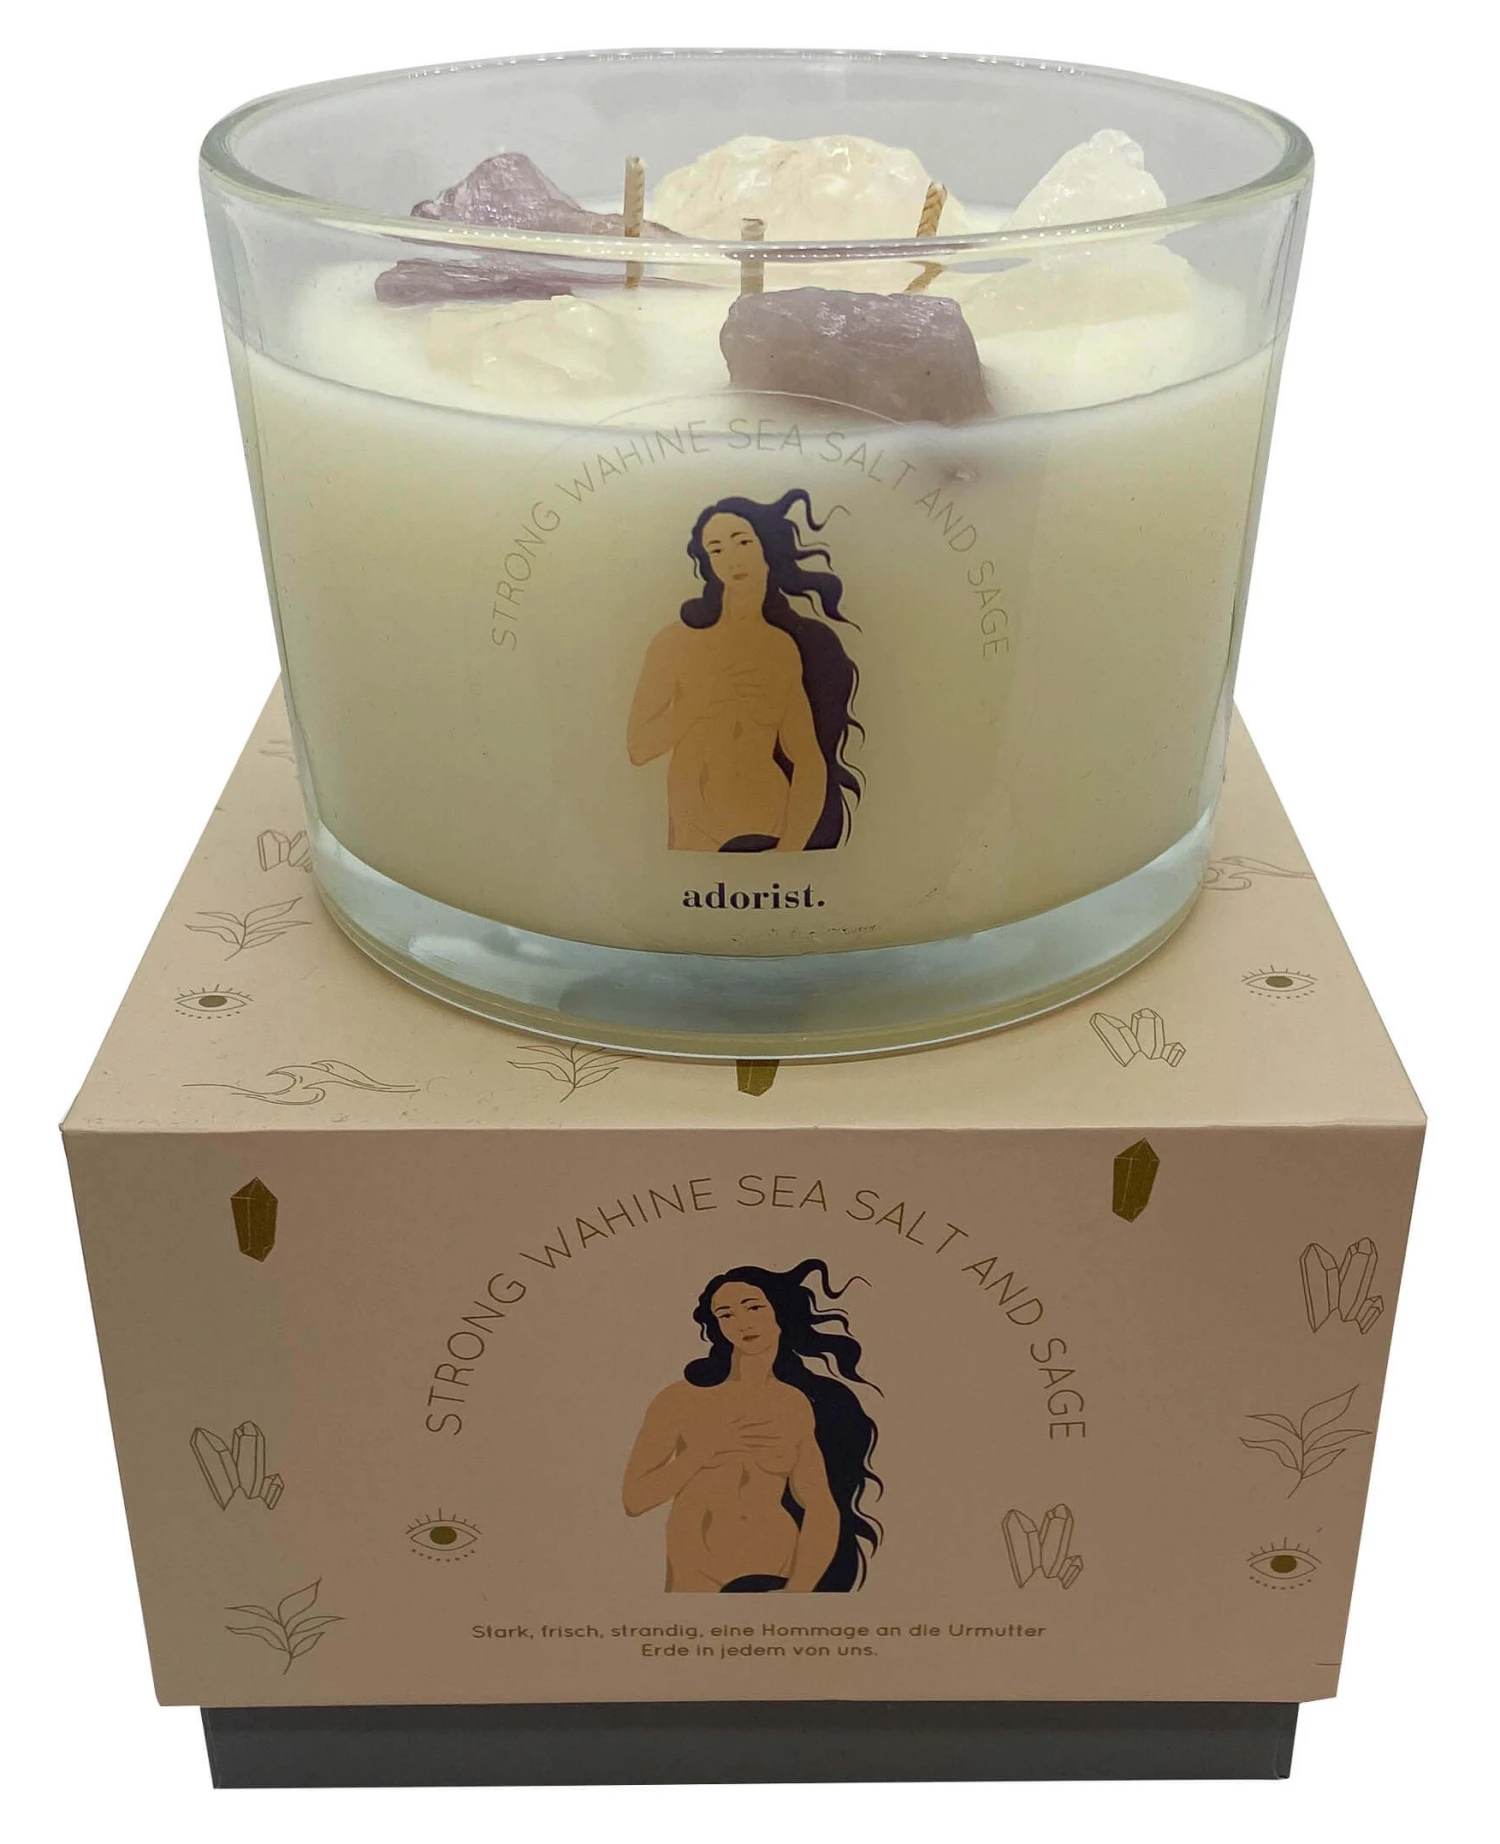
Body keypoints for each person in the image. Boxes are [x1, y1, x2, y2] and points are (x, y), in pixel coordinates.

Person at [622, 1260, 881, 1592]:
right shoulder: (681, 1399)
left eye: (753, 1307)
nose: (741, 1323)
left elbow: (820, 1505)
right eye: (726, 1315)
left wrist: (800, 1588)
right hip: (698, 1574)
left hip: (777, 1565)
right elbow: (635, 1499)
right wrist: (703, 1451)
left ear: (779, 1312)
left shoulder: (793, 1403)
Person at [626, 490, 861, 852]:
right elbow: (639, 748)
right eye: (716, 549)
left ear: (768, 548)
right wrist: (699, 701)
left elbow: (808, 760)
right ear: (707, 562)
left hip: (769, 819)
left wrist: (791, 847)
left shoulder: (781, 648)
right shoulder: (676, 641)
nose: (732, 558)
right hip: (696, 828)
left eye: (743, 542)